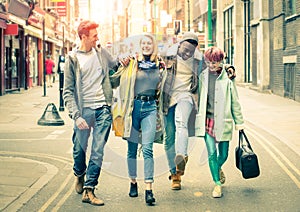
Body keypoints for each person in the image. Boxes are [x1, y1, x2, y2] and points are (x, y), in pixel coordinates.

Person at [160, 32, 236, 190]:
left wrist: (228, 67)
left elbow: (215, 62)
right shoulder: (168, 55)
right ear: (179, 45)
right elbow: (146, 59)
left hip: (185, 97)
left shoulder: (198, 59)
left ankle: (181, 159)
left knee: (181, 124)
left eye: (191, 51)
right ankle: (174, 174)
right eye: (185, 50)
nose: (187, 54)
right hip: (168, 99)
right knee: (168, 137)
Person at [63, 20, 120, 206]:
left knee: (97, 150)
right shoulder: (72, 59)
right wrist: (76, 115)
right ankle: (79, 174)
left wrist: (124, 63)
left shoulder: (101, 52)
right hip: (83, 110)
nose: (97, 38)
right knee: (79, 150)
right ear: (83, 37)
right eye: (94, 36)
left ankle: (89, 189)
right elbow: (68, 91)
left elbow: (115, 65)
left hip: (102, 107)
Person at [111, 33, 165, 205]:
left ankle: (149, 189)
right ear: (140, 45)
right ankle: (133, 182)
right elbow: (114, 79)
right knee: (132, 149)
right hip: (133, 109)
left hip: (150, 108)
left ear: (153, 46)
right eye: (143, 43)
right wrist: (120, 61)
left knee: (148, 149)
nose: (146, 46)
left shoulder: (160, 64)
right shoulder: (132, 63)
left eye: (149, 43)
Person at [195, 46, 244, 198]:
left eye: (214, 63)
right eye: (209, 62)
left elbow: (235, 101)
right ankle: (217, 184)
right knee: (211, 153)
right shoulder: (202, 76)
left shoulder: (228, 78)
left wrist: (239, 122)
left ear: (221, 61)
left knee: (223, 155)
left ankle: (218, 167)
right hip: (207, 121)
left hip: (224, 120)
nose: (211, 66)